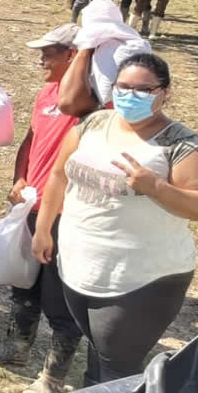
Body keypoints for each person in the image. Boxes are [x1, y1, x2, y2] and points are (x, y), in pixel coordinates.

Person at [32, 52, 198, 386]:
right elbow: (60, 175)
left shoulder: (179, 144)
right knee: (98, 353)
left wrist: (155, 187)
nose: (129, 95)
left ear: (165, 92)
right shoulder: (93, 123)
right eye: (123, 87)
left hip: (141, 279)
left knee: (116, 367)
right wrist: (43, 228)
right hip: (81, 266)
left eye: (143, 90)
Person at [0, 24, 83, 393]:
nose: (40, 60)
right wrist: (18, 178)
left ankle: (53, 378)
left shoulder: (92, 101)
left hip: (67, 212)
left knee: (58, 296)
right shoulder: (44, 94)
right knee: (24, 282)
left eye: (48, 53)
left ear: (73, 55)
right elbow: (30, 141)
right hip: (33, 203)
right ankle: (17, 349)